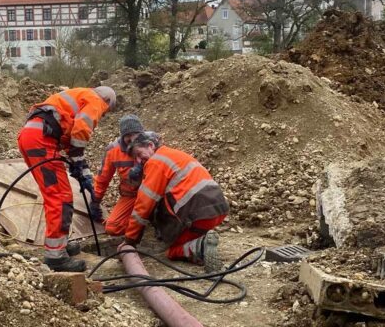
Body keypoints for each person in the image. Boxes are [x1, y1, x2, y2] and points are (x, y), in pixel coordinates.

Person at [18, 85, 116, 272]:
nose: (101, 116)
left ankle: (59, 245)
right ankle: (55, 257)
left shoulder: (78, 96)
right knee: (60, 198)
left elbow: (72, 146)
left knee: (53, 196)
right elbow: (80, 131)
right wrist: (78, 161)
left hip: (32, 137)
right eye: (105, 113)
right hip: (42, 141)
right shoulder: (96, 100)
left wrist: (85, 174)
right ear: (108, 101)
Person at [122, 132, 229, 272]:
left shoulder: (155, 162)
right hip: (217, 209)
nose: (138, 160)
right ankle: (201, 239)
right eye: (135, 158)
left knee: (170, 252)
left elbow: (143, 205)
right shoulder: (172, 154)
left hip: (199, 214)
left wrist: (129, 240)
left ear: (150, 145)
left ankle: (200, 246)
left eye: (139, 153)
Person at [92, 113, 146, 236]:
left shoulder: (152, 142)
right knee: (112, 228)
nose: (132, 139)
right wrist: (95, 202)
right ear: (123, 136)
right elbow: (102, 179)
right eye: (128, 136)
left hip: (155, 194)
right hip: (131, 196)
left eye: (135, 135)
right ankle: (139, 222)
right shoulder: (113, 151)